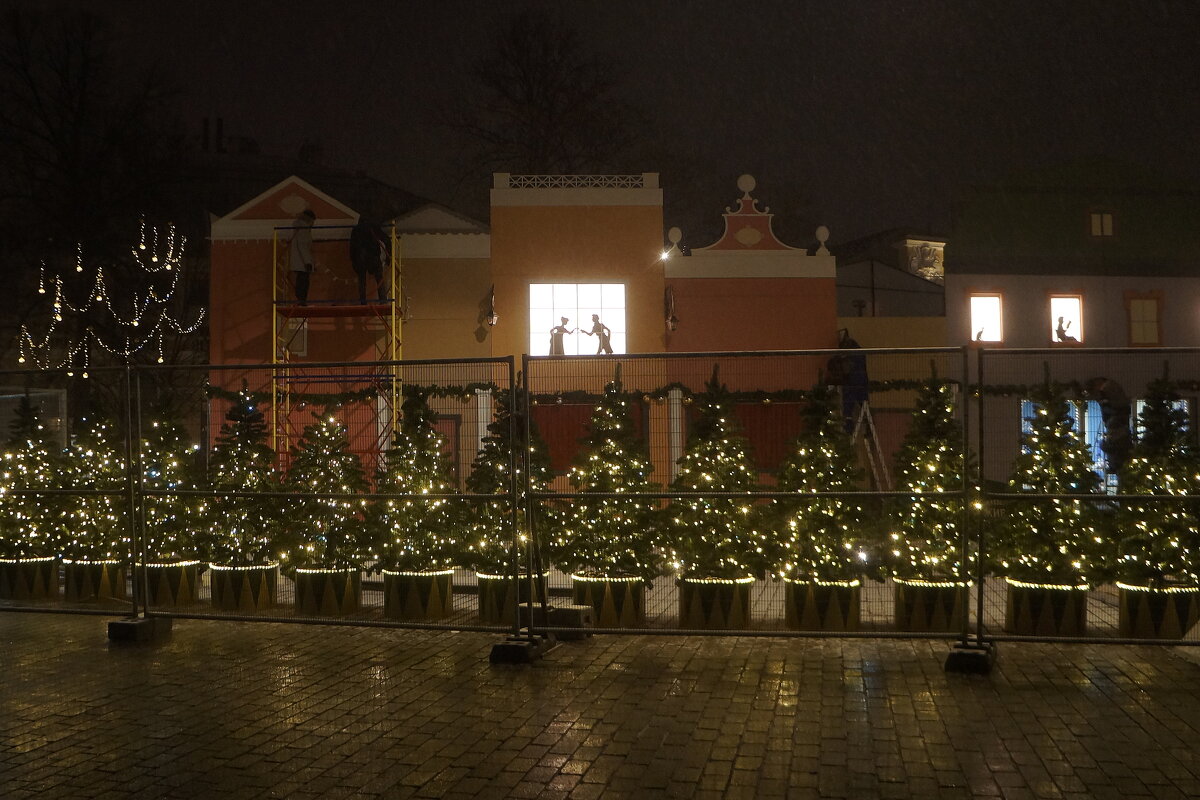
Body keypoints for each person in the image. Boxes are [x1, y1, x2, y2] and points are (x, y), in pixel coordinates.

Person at [1084, 376, 1131, 473]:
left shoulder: (1107, 391)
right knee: (1113, 444)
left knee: (1113, 444)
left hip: (1115, 420)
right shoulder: (1112, 391)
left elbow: (1109, 406)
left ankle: (1115, 466)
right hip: (1116, 420)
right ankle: (1116, 466)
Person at [350, 220, 389, 304]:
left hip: (361, 257)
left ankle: (363, 301)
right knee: (379, 278)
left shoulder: (356, 230)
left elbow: (352, 247)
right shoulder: (373, 227)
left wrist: (353, 261)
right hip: (372, 256)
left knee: (362, 281)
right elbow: (386, 239)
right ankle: (383, 300)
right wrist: (389, 258)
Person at [288, 209, 316, 305]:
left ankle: (301, 299)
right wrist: (308, 262)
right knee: (304, 282)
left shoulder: (298, 228)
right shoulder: (304, 229)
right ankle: (302, 301)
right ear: (310, 220)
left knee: (301, 280)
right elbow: (303, 246)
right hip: (303, 263)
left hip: (298, 261)